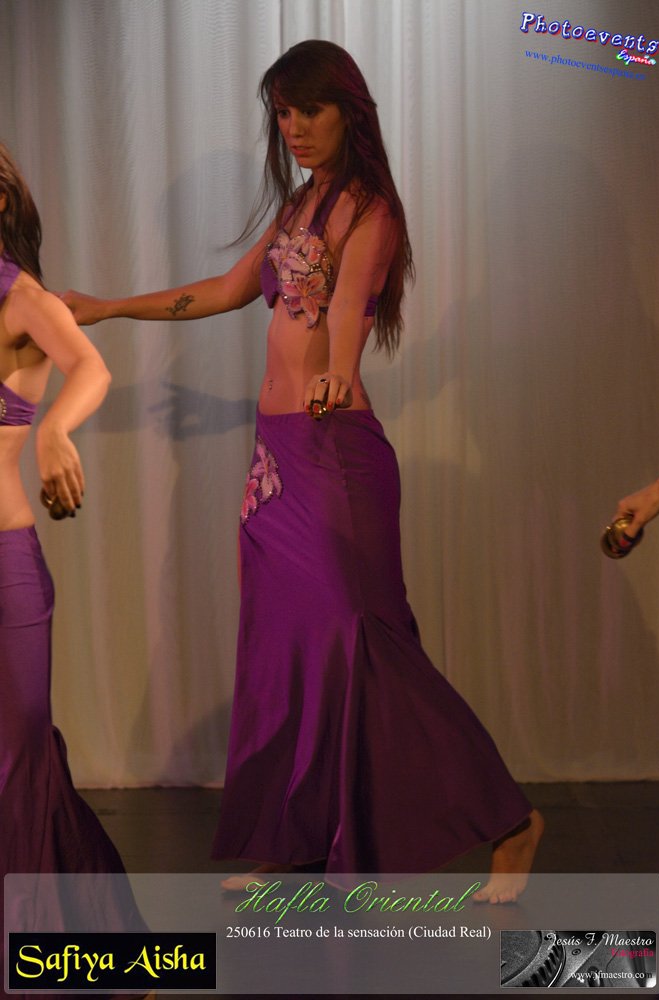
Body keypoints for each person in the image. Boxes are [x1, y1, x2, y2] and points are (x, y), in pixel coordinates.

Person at [64, 40, 543, 902]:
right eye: (282, 113)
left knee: (365, 646)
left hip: (334, 454)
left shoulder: (370, 210)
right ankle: (300, 842)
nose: (294, 128)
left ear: (347, 112)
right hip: (275, 457)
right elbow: (224, 290)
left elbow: (349, 306)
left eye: (309, 110)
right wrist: (107, 308)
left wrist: (338, 372)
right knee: (286, 652)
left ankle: (510, 822)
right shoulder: (297, 206)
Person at [0, 144, 148, 999]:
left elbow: (91, 366)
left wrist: (55, 429)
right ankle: (114, 948)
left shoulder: (22, 298)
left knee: (18, 766)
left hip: (6, 570)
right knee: (30, 773)